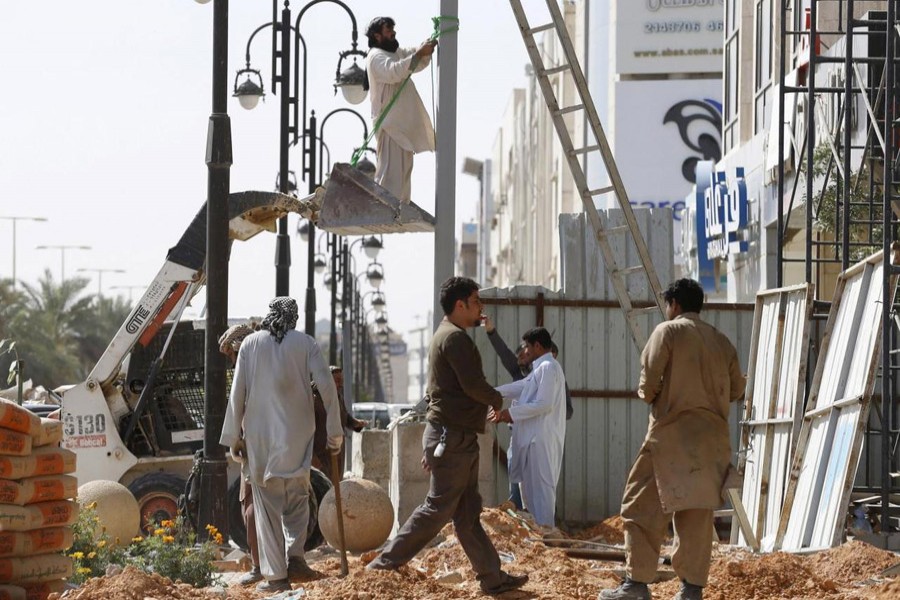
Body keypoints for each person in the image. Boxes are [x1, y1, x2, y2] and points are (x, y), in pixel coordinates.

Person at [366, 277, 529, 596]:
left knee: (468, 514)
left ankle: (492, 577)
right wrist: (496, 399)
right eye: (476, 300)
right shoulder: (455, 339)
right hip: (451, 438)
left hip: (455, 437)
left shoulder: (450, 336)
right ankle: (384, 564)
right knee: (436, 509)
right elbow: (473, 385)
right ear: (460, 305)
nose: (481, 306)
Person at [599, 279, 745, 600]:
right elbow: (737, 390)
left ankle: (636, 584)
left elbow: (648, 383)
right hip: (713, 444)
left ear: (674, 304)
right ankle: (691, 591)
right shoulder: (722, 342)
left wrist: (654, 394)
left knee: (639, 508)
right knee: (696, 516)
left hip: (670, 439)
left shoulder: (668, 331)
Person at [220, 298, 344, 593]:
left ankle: (277, 576)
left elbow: (238, 392)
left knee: (267, 506)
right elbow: (327, 386)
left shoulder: (250, 344)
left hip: (261, 437)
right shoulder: (305, 343)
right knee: (299, 497)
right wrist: (334, 432)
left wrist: (233, 437)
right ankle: (296, 556)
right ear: (294, 317)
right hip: (298, 435)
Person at [483, 316, 573, 510]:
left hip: (541, 442)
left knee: (542, 496)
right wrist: (490, 393)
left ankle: (546, 535)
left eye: (527, 347)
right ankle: (539, 536)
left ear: (538, 346)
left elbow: (544, 404)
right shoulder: (538, 370)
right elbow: (519, 387)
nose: (524, 351)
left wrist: (509, 413)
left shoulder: (549, 367)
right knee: (529, 498)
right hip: (531, 442)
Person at [365, 16, 436, 203]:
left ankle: (397, 209)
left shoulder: (394, 53)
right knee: (390, 174)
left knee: (403, 174)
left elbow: (411, 57)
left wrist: (424, 49)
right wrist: (419, 54)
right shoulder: (375, 57)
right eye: (389, 30)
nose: (393, 33)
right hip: (390, 127)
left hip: (401, 126)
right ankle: (382, 208)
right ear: (377, 36)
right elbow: (394, 71)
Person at [217, 322, 262, 586]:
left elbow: (237, 410)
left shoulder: (246, 371)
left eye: (233, 354)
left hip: (255, 449)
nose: (233, 360)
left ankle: (259, 566)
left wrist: (235, 442)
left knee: (250, 508)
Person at [311, 366, 367, 480]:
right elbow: (304, 432)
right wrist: (312, 457)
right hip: (320, 456)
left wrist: (356, 423)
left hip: (336, 454)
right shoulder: (314, 400)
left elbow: (344, 416)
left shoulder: (338, 397)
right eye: (337, 381)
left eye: (341, 381)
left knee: (335, 488)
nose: (340, 385)